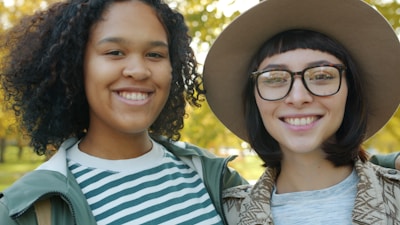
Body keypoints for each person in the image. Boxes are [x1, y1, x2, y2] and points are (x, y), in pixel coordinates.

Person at [0, 0, 246, 224]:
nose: (139, 71)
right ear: (76, 66)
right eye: (115, 52)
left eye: (155, 54)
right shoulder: (24, 212)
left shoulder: (216, 177)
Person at [203, 0, 400, 224]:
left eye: (322, 76)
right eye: (275, 79)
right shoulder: (222, 215)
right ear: (254, 99)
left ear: (350, 90)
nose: (298, 98)